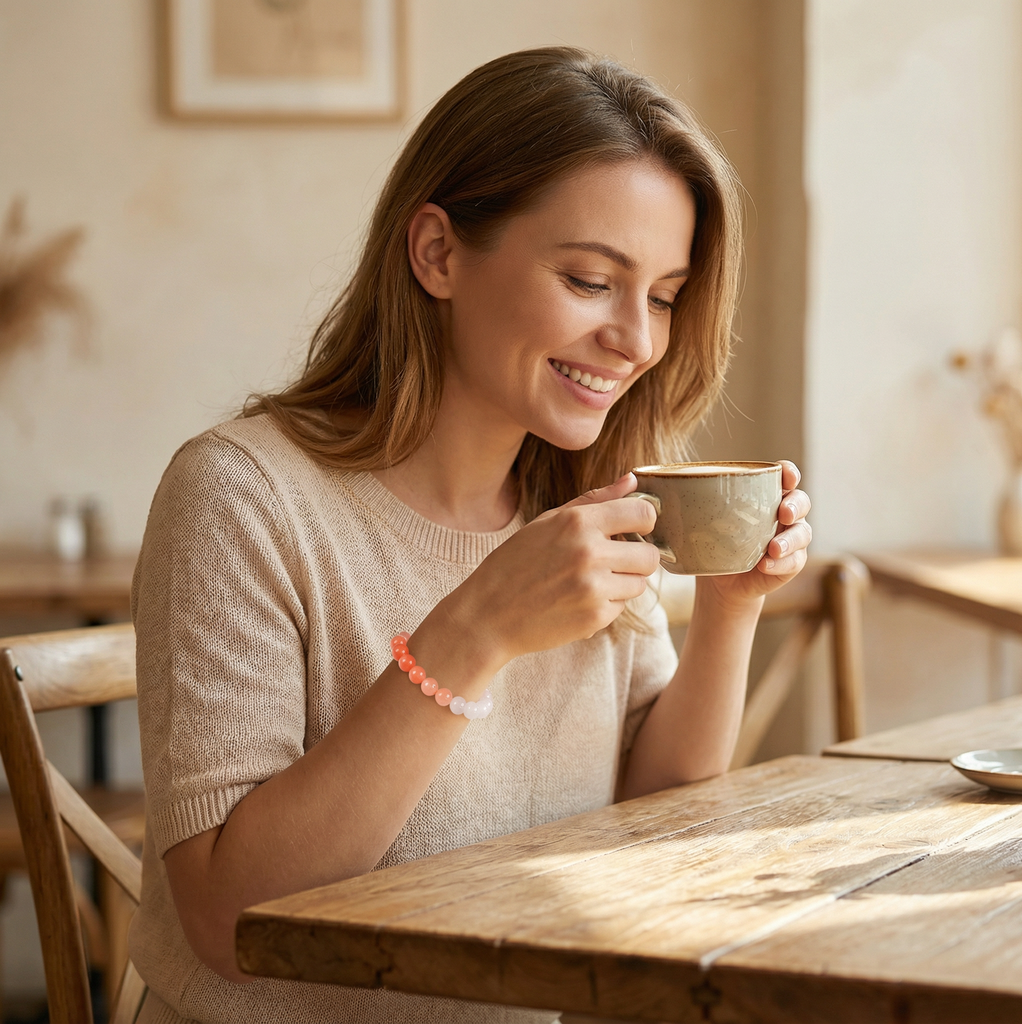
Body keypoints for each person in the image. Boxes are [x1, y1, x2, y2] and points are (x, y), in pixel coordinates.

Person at [129, 46, 811, 1024]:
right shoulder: (243, 496)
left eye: (663, 296)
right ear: (437, 253)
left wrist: (730, 605)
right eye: (590, 279)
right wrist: (474, 631)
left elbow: (652, 811)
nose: (637, 340)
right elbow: (229, 918)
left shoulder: (575, 501)